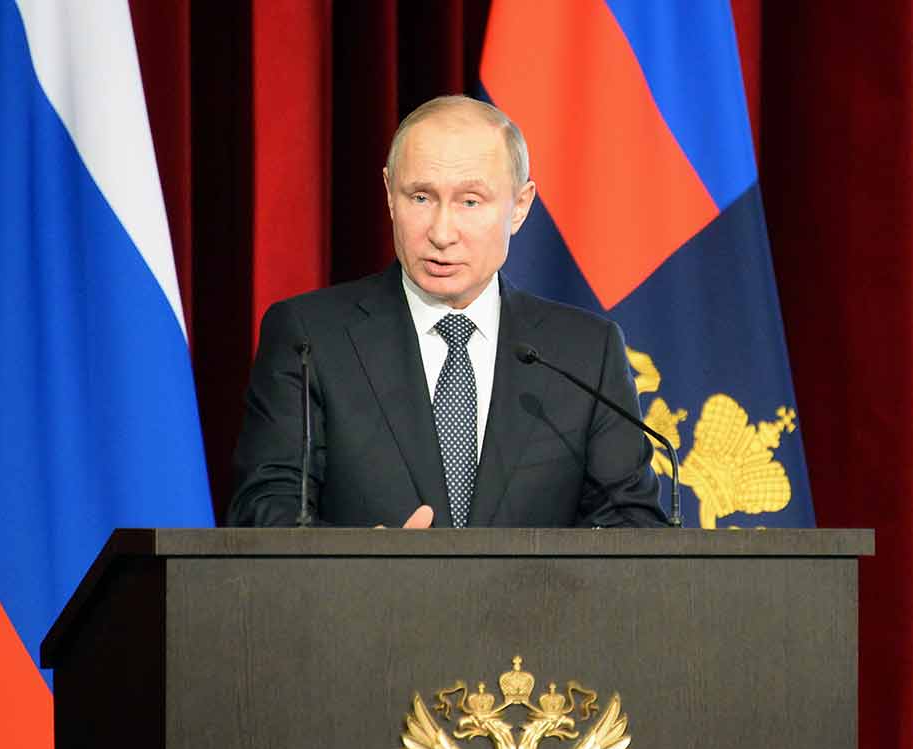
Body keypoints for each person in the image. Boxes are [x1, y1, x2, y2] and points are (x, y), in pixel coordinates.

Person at [228, 95, 667, 529]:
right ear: (388, 194)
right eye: (420, 197)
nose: (441, 232)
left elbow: (633, 528)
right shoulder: (310, 338)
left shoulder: (585, 352)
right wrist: (356, 565)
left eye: (470, 202)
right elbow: (263, 513)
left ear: (520, 206)